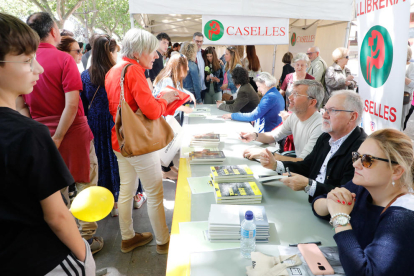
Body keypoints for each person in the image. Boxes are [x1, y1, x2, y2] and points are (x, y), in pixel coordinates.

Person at [0, 12, 95, 275]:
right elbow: (57, 216)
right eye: (28, 61)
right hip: (42, 258)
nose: (38, 68)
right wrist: (84, 256)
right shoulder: (29, 135)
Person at [24, 12, 103, 254]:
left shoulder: (24, 61)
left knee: (54, 190)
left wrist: (45, 135)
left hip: (40, 134)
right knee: (85, 184)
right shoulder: (64, 59)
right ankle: (86, 239)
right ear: (54, 32)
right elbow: (71, 104)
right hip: (72, 133)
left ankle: (64, 241)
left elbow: (23, 106)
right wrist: (58, 136)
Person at [105, 28, 179, 254]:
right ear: (138, 52)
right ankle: (164, 242)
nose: (156, 56)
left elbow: (129, 106)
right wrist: (164, 101)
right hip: (139, 144)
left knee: (126, 189)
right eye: (152, 52)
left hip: (121, 141)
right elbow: (152, 111)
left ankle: (127, 237)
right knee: (155, 192)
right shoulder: (134, 71)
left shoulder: (114, 70)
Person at [312, 129, 414, 275]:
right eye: (356, 156)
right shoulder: (362, 187)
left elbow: (364, 273)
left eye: (367, 160)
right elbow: (318, 204)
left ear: (396, 171)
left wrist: (340, 218)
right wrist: (331, 203)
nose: (355, 164)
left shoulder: (403, 217)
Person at [260, 90, 367, 202]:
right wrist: (276, 165)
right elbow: (307, 166)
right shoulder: (325, 137)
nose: (325, 115)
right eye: (325, 109)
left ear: (352, 117)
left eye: (332, 111)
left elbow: (348, 194)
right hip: (312, 203)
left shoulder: (362, 150)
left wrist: (309, 185)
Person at [81, 35, 121, 217]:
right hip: (114, 120)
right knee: (116, 159)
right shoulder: (116, 73)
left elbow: (82, 103)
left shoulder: (85, 75)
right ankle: (118, 201)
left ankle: (102, 199)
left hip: (94, 122)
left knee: (99, 159)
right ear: (109, 52)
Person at [241, 80, 324, 162]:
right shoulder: (295, 116)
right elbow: (274, 136)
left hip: (304, 173)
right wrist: (254, 136)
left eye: (296, 94)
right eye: (292, 93)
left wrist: (266, 155)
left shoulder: (319, 127)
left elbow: (302, 162)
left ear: (312, 102)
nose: (290, 97)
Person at [153, 54, 195, 180]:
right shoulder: (168, 80)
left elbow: (178, 93)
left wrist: (189, 95)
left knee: (169, 143)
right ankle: (165, 170)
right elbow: (166, 103)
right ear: (179, 66)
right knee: (167, 144)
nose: (187, 69)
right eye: (185, 66)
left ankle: (169, 166)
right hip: (165, 117)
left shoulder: (171, 78)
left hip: (168, 117)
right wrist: (184, 108)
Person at [402, 46, 414, 129]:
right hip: (395, 96)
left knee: (401, 122)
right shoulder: (397, 65)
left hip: (404, 98)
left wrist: (401, 75)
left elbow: (413, 84)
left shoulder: (411, 66)